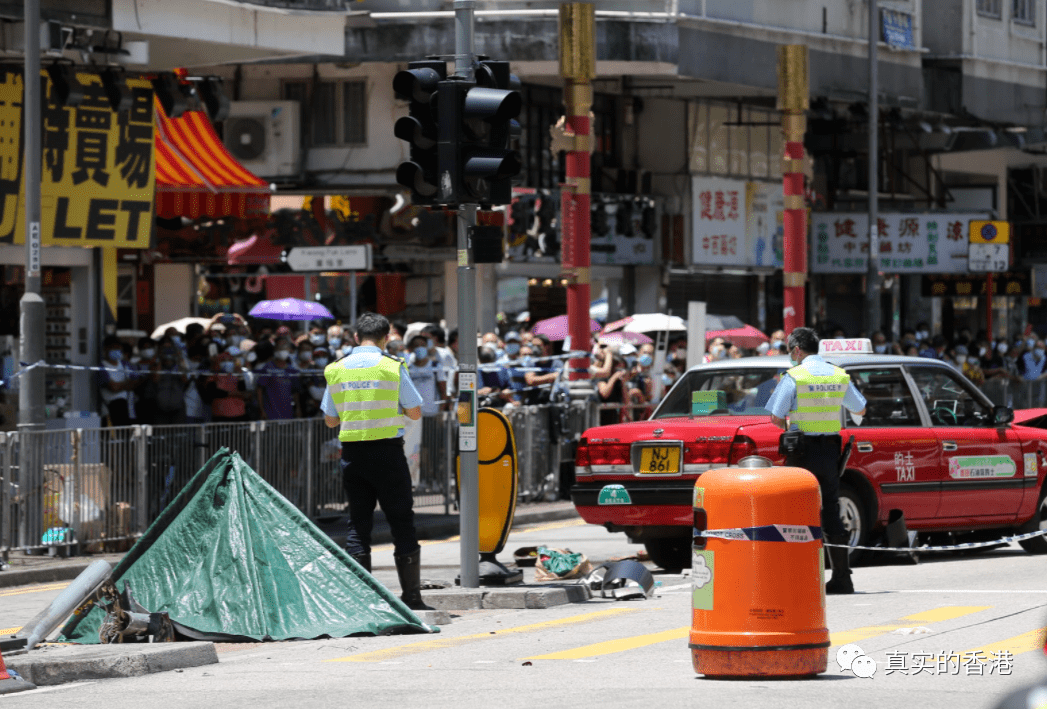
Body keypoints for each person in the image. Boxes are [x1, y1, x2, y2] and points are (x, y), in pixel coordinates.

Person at [320, 312, 432, 611]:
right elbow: (416, 412)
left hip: (353, 455)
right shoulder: (393, 367)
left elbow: (330, 421)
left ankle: (363, 603)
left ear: (356, 337)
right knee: (402, 521)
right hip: (388, 452)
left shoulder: (336, 369)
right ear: (386, 338)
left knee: (358, 523)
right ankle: (411, 598)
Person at [766, 327, 867, 595]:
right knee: (831, 510)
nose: (791, 356)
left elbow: (776, 417)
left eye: (790, 351)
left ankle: (799, 578)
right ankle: (842, 578)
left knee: (796, 510)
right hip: (830, 451)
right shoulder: (838, 374)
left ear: (797, 350)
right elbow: (860, 408)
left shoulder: (795, 376)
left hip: (802, 452)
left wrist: (792, 423)